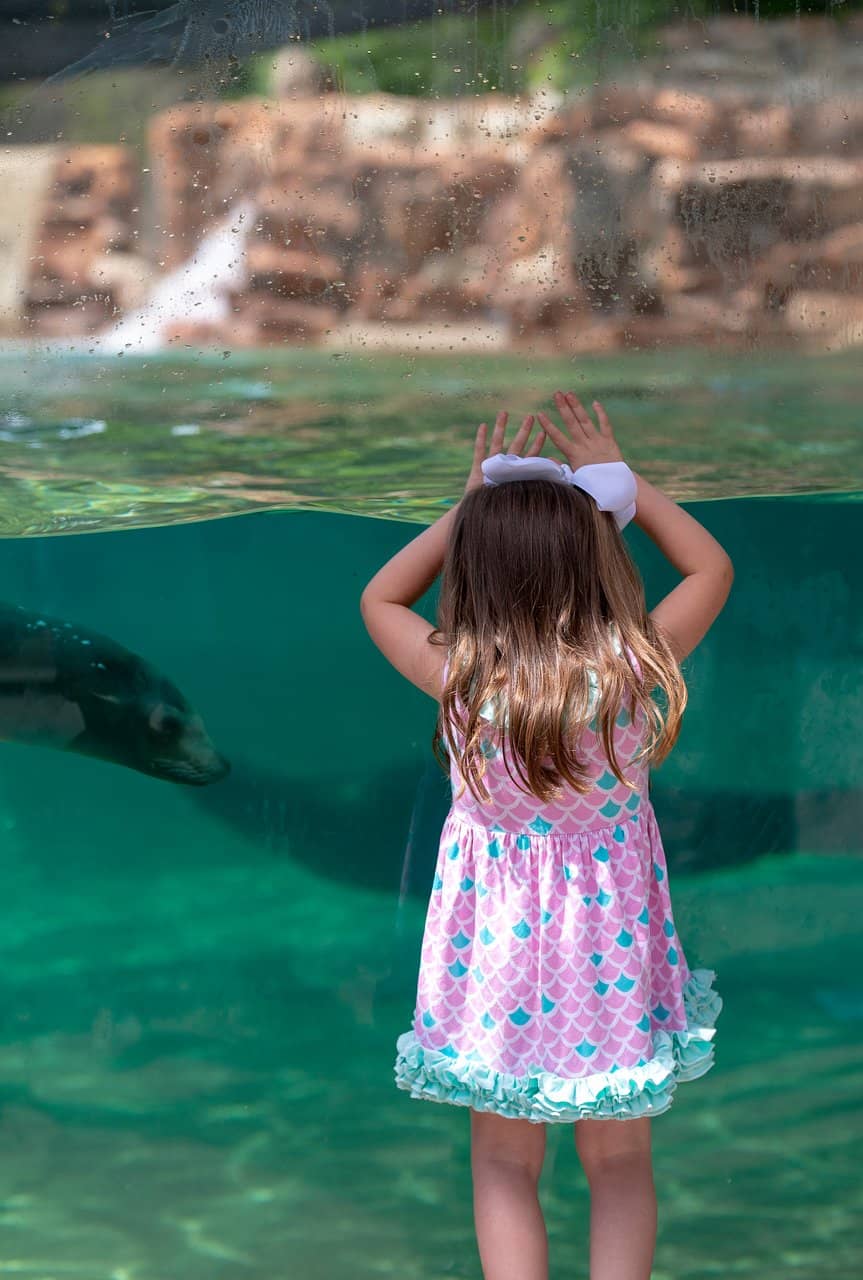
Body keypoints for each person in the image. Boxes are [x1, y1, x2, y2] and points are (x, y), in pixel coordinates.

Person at [360, 390, 733, 1280]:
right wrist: (622, 482)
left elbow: (379, 596)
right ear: (596, 559)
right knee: (619, 1161)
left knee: (501, 1161)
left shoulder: (459, 678)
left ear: (473, 569)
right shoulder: (632, 669)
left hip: (494, 959)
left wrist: (466, 509)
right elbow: (710, 569)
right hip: (608, 954)